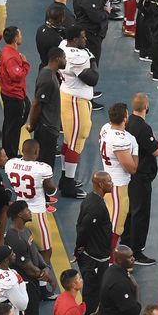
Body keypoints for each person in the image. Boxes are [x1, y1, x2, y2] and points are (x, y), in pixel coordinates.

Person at [5, 201, 55, 315]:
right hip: (25, 285)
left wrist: (45, 267)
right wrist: (44, 276)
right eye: (26, 210)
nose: (29, 211)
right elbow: (27, 267)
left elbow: (35, 253)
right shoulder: (15, 238)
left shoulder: (25, 231)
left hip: (31, 283)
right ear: (19, 214)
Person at [58, 26, 100, 197]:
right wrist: (92, 58)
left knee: (69, 141)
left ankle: (64, 177)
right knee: (76, 143)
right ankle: (68, 184)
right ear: (74, 40)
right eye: (83, 37)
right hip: (75, 101)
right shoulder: (78, 56)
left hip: (69, 95)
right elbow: (93, 79)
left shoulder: (63, 45)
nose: (85, 40)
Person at [122, 93, 158, 265]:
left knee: (130, 210)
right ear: (146, 107)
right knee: (140, 212)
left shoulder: (127, 123)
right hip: (141, 176)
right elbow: (155, 150)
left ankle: (127, 241)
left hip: (129, 174)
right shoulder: (144, 128)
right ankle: (136, 251)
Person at [5, 139, 57, 265]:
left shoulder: (10, 164)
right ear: (37, 151)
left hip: (18, 211)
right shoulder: (42, 168)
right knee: (45, 249)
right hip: (36, 213)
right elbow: (51, 191)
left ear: (22, 150)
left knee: (20, 246)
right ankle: (42, 282)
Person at [99, 102, 138, 251]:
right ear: (125, 118)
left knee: (110, 223)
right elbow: (132, 168)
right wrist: (135, 149)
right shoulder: (121, 140)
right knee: (115, 227)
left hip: (109, 179)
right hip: (117, 186)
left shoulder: (105, 128)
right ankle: (108, 261)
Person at [75, 171, 113, 314]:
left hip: (94, 255)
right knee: (92, 295)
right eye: (109, 181)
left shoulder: (91, 199)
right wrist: (78, 249)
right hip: (94, 260)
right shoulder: (96, 206)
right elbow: (84, 229)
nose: (112, 183)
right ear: (101, 184)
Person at [27, 47, 65, 172]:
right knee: (45, 165)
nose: (66, 61)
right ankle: (43, 189)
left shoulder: (50, 74)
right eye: (64, 58)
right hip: (46, 129)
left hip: (49, 127)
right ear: (58, 59)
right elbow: (36, 104)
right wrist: (32, 124)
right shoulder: (48, 78)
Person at [0, 26, 31, 159]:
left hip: (9, 92)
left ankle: (7, 150)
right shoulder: (12, 57)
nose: (22, 37)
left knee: (10, 123)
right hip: (14, 95)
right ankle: (10, 154)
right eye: (20, 35)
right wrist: (25, 63)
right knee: (13, 126)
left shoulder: (6, 51)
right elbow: (17, 75)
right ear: (16, 38)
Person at [74, 0, 110, 74]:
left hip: (89, 33)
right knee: (90, 69)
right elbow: (96, 17)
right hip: (91, 37)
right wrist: (106, 12)